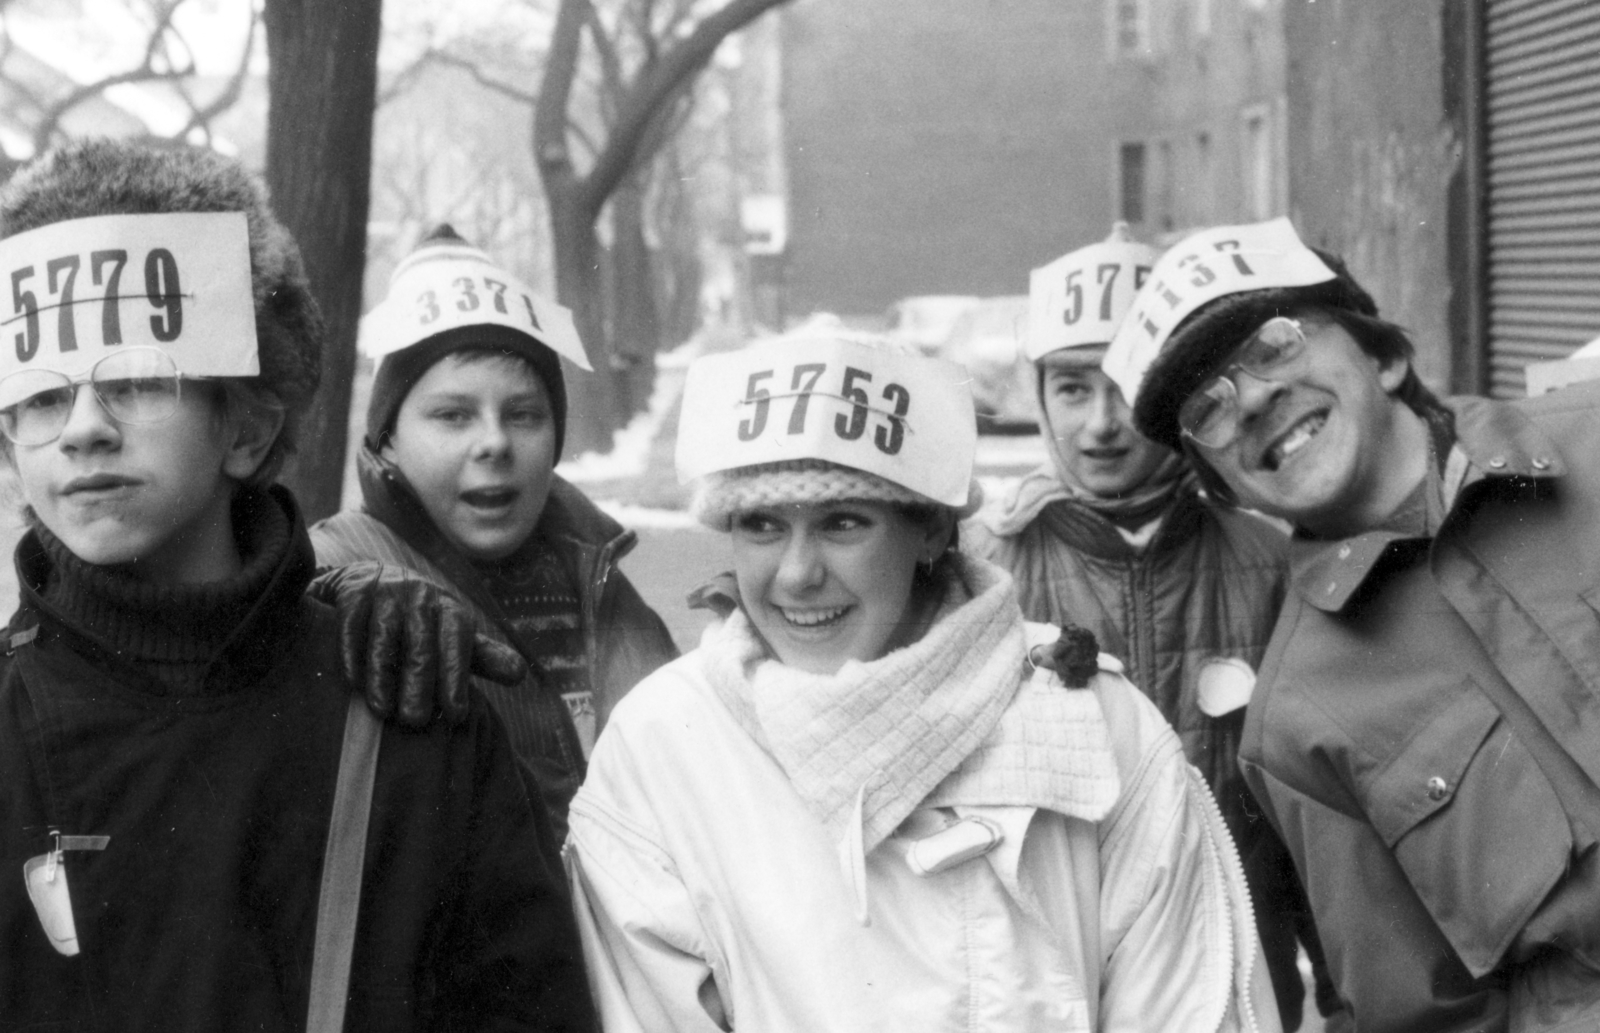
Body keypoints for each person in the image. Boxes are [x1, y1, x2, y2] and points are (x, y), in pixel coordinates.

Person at [0, 139, 594, 1031]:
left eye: (135, 380)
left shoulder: (410, 701)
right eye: (42, 398)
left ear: (247, 427)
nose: (83, 428)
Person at [565, 326, 1279, 1031]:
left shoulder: (1094, 722)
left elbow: (1185, 1005)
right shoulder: (662, 746)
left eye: (843, 522)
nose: (796, 573)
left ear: (932, 531)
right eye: (760, 524)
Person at [1104, 215, 1600, 1031]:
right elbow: (1424, 1017)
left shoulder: (1590, 434)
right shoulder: (1297, 723)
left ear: (1384, 353)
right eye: (1211, 406)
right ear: (1224, 487)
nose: (1256, 398)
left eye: (1276, 343)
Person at [966, 224, 1332, 1030]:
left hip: (1237, 983)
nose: (1099, 424)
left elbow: (1319, 819)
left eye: (1124, 389)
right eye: (1069, 387)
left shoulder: (1271, 559)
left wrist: (1345, 998)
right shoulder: (978, 570)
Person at [311, 224, 677, 838]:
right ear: (388, 441)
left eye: (524, 414)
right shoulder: (343, 571)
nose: (494, 443)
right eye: (453, 415)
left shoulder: (597, 576)